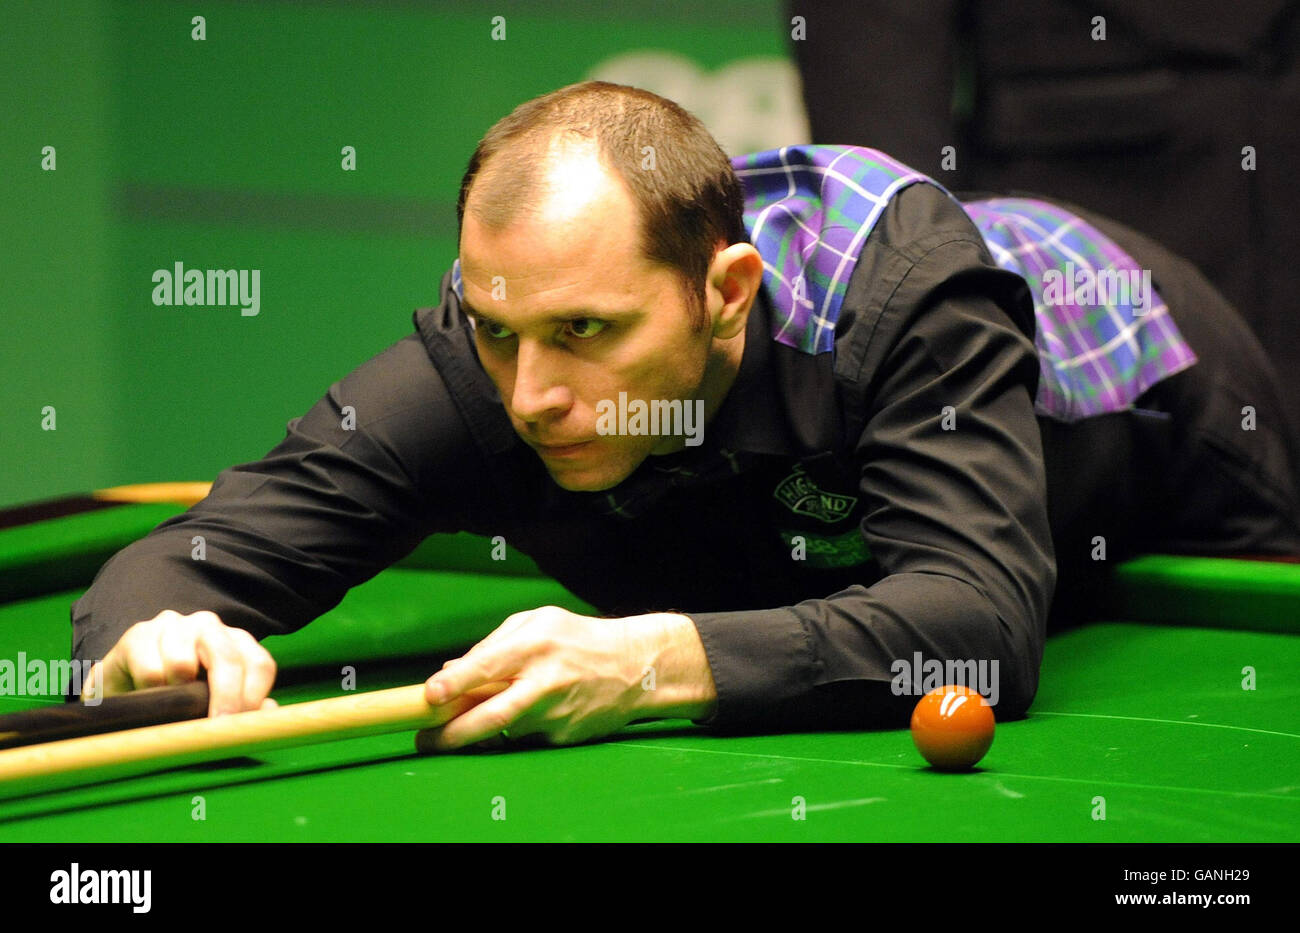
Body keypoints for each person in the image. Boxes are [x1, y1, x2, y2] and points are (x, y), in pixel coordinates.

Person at [70, 82, 1300, 747]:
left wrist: (651, 659)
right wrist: (155, 644)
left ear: (725, 294)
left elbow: (977, 619)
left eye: (588, 332)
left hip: (1160, 418)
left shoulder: (901, 303)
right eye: (498, 329)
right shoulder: (485, 357)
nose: (532, 394)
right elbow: (186, 558)